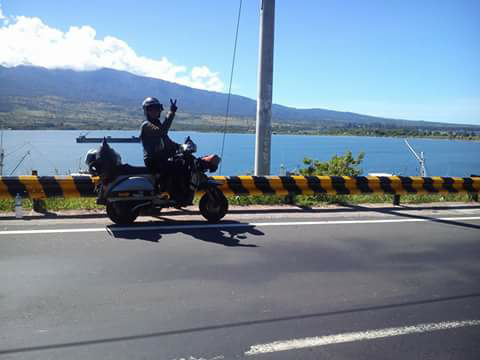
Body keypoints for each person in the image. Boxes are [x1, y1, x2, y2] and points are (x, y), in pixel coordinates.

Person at [140, 97, 188, 199]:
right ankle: (162, 193)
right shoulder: (147, 125)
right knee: (174, 166)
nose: (154, 111)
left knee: (181, 163)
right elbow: (162, 132)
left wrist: (181, 147)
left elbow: (167, 141)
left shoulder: (157, 124)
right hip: (153, 160)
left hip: (160, 158)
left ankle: (176, 192)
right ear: (146, 111)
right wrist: (171, 113)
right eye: (151, 109)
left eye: (156, 109)